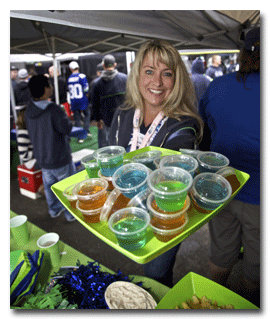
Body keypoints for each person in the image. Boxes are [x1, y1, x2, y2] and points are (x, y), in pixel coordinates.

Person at [109, 39, 204, 287]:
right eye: (149, 71)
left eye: (167, 74)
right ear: (137, 74)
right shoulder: (122, 115)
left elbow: (172, 177)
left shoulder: (184, 124)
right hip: (127, 209)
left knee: (156, 275)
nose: (157, 82)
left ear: (178, 79)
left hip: (166, 215)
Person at [199, 27, 260, 307]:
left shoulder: (218, 85)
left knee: (221, 250)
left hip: (222, 188)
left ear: (244, 53)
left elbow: (206, 134)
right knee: (257, 264)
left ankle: (212, 304)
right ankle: (248, 306)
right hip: (259, 198)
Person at [25, 75, 76, 222]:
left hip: (42, 158)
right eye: (50, 85)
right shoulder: (53, 109)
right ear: (46, 89)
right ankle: (70, 214)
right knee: (67, 187)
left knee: (49, 187)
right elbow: (67, 128)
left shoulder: (28, 110)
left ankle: (54, 210)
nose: (52, 88)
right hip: (60, 157)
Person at [92, 54, 128, 148]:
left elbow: (95, 104)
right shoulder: (125, 79)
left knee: (107, 146)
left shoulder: (96, 83)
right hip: (124, 118)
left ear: (103, 66)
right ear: (115, 64)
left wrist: (97, 119)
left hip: (106, 119)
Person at [67, 61, 91, 143]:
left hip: (74, 100)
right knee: (87, 114)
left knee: (77, 119)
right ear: (78, 67)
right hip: (82, 99)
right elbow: (86, 88)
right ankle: (86, 130)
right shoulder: (81, 76)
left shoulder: (69, 78)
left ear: (70, 69)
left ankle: (80, 137)